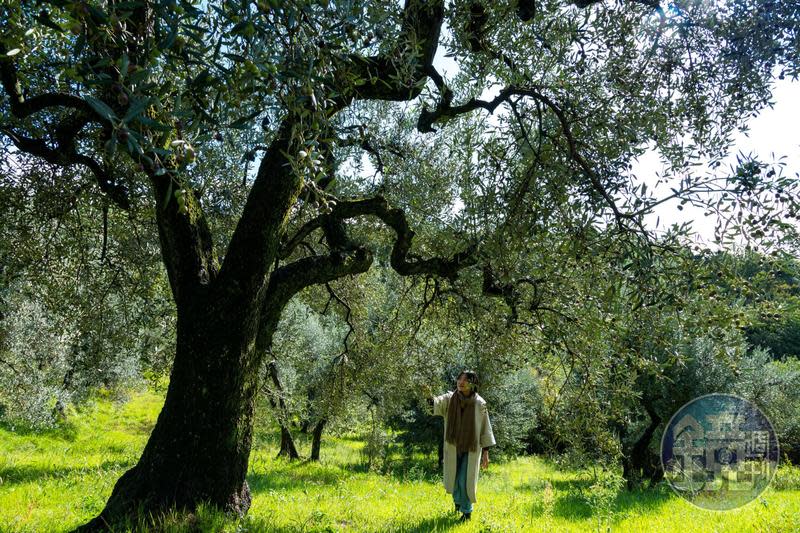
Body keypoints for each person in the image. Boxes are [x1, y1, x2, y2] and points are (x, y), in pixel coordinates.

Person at [424, 370, 496, 522]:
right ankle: (457, 504)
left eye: (465, 380)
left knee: (465, 480)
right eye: (459, 379)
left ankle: (466, 513)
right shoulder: (450, 399)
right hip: (453, 447)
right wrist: (428, 395)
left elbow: (485, 428)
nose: (461, 382)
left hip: (471, 449)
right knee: (455, 480)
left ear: (472, 383)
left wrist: (486, 453)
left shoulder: (480, 403)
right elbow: (435, 405)